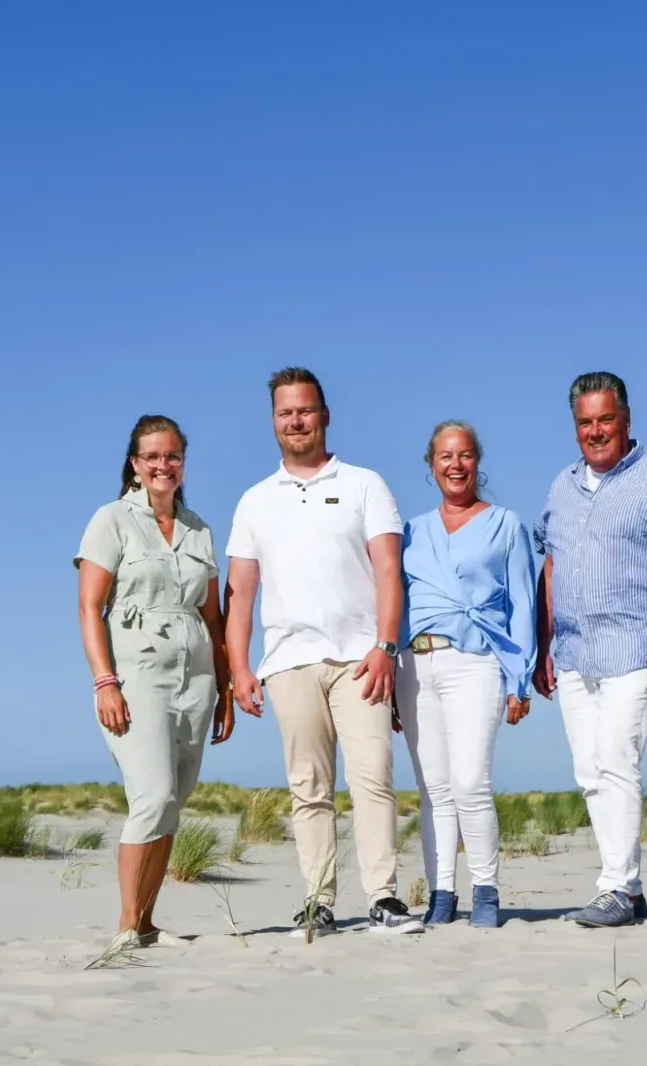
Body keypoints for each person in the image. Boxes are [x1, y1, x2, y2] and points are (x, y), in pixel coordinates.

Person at [223, 367, 425, 937]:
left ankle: (384, 897)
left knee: (372, 778)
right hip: (289, 662)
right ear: (273, 422)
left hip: (361, 659)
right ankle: (318, 901)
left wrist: (386, 645)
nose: (297, 421)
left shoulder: (364, 484)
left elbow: (390, 572)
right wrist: (239, 666)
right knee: (308, 789)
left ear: (324, 415)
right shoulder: (256, 501)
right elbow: (240, 593)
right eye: (286, 413)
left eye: (306, 410)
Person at [533, 372, 647, 928]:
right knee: (589, 769)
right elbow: (551, 565)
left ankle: (617, 887)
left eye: (605, 420)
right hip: (572, 650)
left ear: (627, 420)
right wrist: (543, 645)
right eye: (585, 423)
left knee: (617, 756)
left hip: (638, 644)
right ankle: (627, 892)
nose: (595, 432)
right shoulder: (561, 486)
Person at [75, 414, 235, 952]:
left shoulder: (200, 530)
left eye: (173, 456)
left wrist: (227, 689)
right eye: (153, 457)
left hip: (197, 680)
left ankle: (146, 923)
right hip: (137, 676)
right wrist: (105, 681)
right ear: (135, 464)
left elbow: (213, 619)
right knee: (152, 794)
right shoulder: (111, 520)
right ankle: (124, 926)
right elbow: (89, 607)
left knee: (173, 802)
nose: (163, 465)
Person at [396, 420, 536, 928]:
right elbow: (399, 603)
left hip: (476, 661)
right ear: (431, 465)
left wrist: (521, 679)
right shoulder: (411, 530)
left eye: (465, 455)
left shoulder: (506, 524)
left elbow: (523, 602)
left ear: (477, 461)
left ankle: (485, 890)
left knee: (471, 780)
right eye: (445, 457)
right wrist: (392, 674)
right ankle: (440, 894)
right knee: (432, 786)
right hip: (414, 664)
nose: (455, 465)